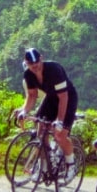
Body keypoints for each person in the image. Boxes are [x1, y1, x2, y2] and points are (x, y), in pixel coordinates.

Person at [14, 48, 79, 181]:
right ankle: (43, 167)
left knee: (60, 135)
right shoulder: (28, 74)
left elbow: (63, 97)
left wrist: (59, 121)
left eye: (36, 62)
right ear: (26, 63)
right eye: (30, 64)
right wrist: (24, 111)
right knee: (40, 133)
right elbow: (32, 96)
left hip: (67, 98)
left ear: (41, 58)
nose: (34, 66)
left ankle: (71, 165)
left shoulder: (54, 69)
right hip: (51, 98)